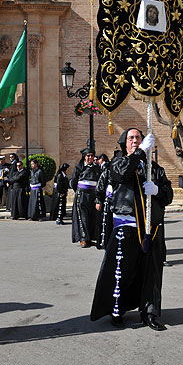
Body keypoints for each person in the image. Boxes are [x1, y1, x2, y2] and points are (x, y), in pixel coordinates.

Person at [90, 128, 173, 330]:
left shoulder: (155, 169)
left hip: (150, 228)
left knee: (150, 274)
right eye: (131, 138)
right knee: (121, 271)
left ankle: (150, 312)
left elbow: (168, 195)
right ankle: (116, 310)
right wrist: (139, 152)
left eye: (139, 138)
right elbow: (121, 173)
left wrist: (157, 190)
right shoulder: (117, 163)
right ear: (124, 143)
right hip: (126, 226)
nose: (135, 141)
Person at [70, 148, 101, 248]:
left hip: (93, 194)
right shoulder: (79, 167)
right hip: (81, 195)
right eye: (88, 156)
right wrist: (79, 191)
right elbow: (74, 182)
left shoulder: (97, 168)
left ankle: (91, 238)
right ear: (84, 157)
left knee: (92, 216)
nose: (90, 158)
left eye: (92, 155)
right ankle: (83, 238)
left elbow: (100, 182)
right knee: (82, 217)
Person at [95, 153, 114, 249]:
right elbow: (100, 186)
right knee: (105, 222)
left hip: (115, 201)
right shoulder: (107, 170)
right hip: (107, 200)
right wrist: (98, 200)